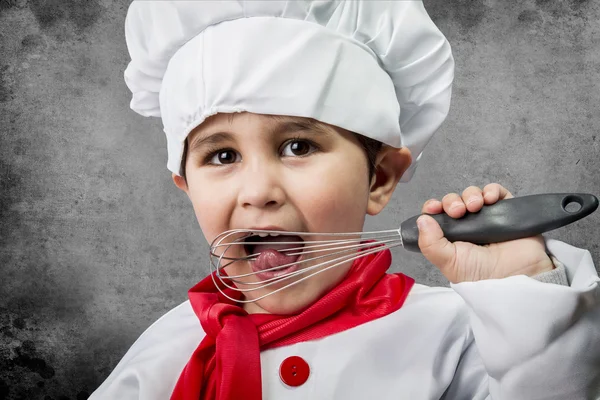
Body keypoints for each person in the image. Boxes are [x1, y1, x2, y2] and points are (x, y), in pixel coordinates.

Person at [90, 1, 600, 399]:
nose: (259, 191)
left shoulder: (461, 337)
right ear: (186, 186)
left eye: (298, 146)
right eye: (221, 156)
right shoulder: (165, 351)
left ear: (379, 177)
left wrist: (529, 291)